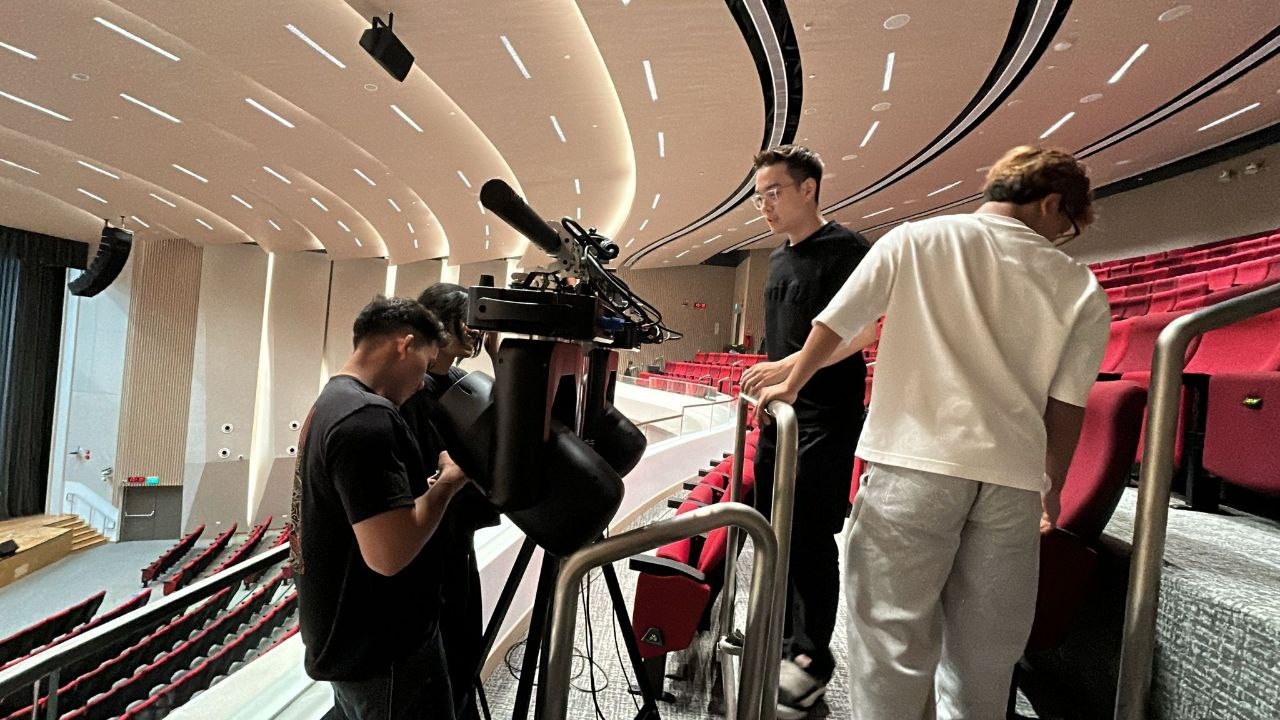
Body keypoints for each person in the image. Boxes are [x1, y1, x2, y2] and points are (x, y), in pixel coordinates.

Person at [753, 146, 1111, 719]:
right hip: (1013, 483)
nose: (1060, 239)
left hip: (911, 466)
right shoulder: (1080, 285)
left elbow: (838, 320)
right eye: (1066, 226)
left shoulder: (916, 238)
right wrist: (1053, 489)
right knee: (985, 661)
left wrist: (792, 383)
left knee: (891, 648)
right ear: (1050, 203)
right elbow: (1066, 406)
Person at [738, 144, 875, 719]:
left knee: (811, 537)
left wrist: (791, 371)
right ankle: (780, 636)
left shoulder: (847, 250)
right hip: (781, 417)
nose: (765, 205)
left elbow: (865, 332)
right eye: (759, 197)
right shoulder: (776, 260)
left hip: (825, 417)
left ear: (808, 189)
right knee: (775, 530)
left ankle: (812, 658)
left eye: (773, 192)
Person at [290, 295, 467, 720]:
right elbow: (389, 555)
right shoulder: (367, 419)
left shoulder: (332, 402)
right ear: (404, 345)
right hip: (383, 649)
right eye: (425, 366)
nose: (423, 384)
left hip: (352, 641)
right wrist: (449, 483)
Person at [399, 282, 501, 720]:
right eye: (469, 320)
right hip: (427, 548)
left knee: (463, 654)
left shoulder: (461, 382)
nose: (476, 330)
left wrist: (498, 356)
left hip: (457, 541)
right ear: (441, 324)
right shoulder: (409, 394)